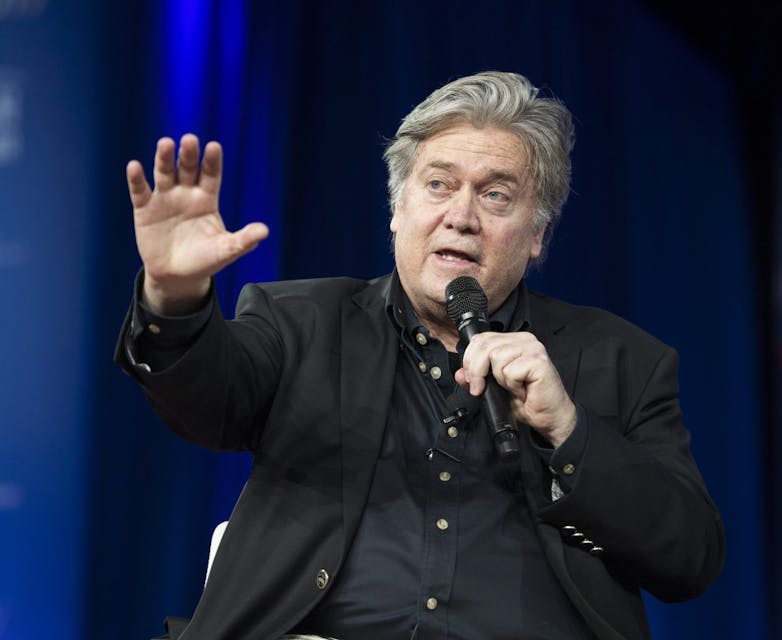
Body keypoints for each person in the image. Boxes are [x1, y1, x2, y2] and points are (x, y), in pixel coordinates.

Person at [115, 71, 725, 640]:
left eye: (496, 195)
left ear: (537, 234)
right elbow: (204, 401)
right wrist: (175, 297)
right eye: (438, 184)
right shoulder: (301, 323)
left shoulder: (623, 362)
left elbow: (689, 559)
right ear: (397, 208)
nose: (460, 217)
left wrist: (568, 431)